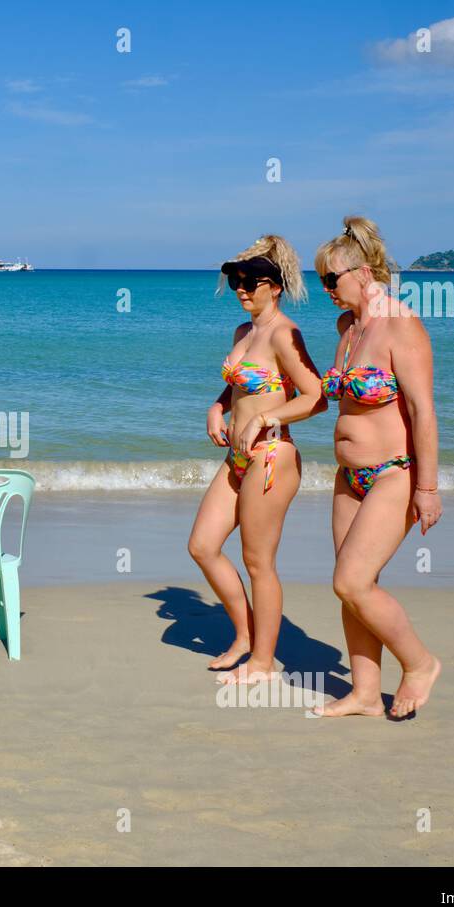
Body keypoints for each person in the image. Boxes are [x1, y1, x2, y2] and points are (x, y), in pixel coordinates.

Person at [312, 216, 443, 718]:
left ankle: (420, 663)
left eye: (332, 279)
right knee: (351, 589)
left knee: (351, 581)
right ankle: (365, 693)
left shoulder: (400, 325)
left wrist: (427, 489)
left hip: (394, 472)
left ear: (364, 273)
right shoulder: (348, 328)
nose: (326, 289)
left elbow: (422, 410)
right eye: (322, 279)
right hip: (349, 478)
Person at [188, 235, 326, 685]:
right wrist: (216, 407)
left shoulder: (286, 334)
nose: (242, 290)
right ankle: (245, 638)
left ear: (276, 285)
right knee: (203, 546)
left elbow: (317, 397)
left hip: (272, 457)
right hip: (236, 458)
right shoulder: (244, 333)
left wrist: (266, 416)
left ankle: (263, 662)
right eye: (235, 282)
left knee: (258, 563)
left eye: (250, 281)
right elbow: (241, 388)